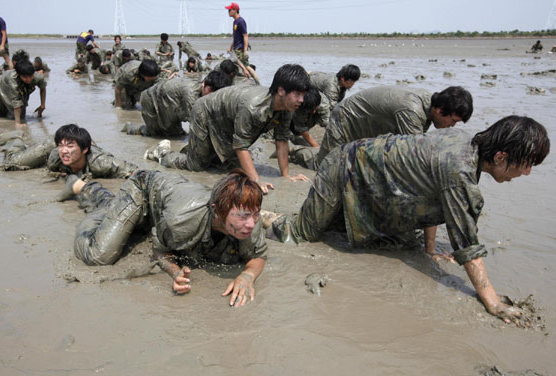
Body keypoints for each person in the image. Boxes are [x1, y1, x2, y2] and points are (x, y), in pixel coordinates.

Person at [265, 116, 550, 325]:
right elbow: (467, 245)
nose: (526, 173)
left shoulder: (469, 146)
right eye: (526, 164)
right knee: (301, 233)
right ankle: (265, 218)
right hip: (345, 166)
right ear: (501, 156)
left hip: (370, 184)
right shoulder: (459, 170)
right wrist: (493, 302)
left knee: (346, 231)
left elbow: (432, 195)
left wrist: (428, 249)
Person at [68, 168, 267, 305]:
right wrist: (174, 271)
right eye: (243, 217)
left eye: (256, 214)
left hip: (172, 198)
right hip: (143, 189)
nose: (251, 223)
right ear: (217, 212)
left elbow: (258, 255)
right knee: (99, 256)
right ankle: (92, 193)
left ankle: (115, 207)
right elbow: (160, 250)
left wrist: (247, 276)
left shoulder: (250, 219)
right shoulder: (180, 221)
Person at [145, 64, 310, 194]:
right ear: (281, 91)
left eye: (303, 95)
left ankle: (196, 148)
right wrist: (256, 181)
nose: (301, 100)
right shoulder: (253, 107)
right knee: (196, 166)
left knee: (228, 165)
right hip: (206, 110)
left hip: (227, 121)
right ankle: (162, 153)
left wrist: (286, 176)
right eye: (297, 94)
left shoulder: (287, 108)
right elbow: (241, 146)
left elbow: (281, 141)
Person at [290, 85, 474, 170]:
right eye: (453, 121)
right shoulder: (413, 110)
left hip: (366, 125)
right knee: (323, 165)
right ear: (440, 110)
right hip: (346, 118)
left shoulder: (429, 105)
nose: (452, 126)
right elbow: (414, 155)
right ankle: (294, 151)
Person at [0, 125, 138, 185]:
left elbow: (135, 171)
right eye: (63, 147)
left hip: (76, 144)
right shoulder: (56, 156)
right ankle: (16, 138)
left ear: (85, 149)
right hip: (50, 145)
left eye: (69, 147)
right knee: (11, 163)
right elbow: (51, 167)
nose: (64, 151)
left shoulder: (101, 162)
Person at [122, 70, 231, 137]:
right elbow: (197, 123)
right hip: (151, 100)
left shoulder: (206, 94)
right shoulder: (191, 94)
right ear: (204, 84)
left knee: (177, 135)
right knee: (154, 134)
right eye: (211, 91)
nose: (213, 96)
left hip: (170, 106)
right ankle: (130, 127)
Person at [0, 59, 47, 128]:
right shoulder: (13, 79)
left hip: (22, 87)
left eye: (30, 76)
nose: (29, 79)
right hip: (0, 85)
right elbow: (16, 101)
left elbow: (43, 88)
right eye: (25, 77)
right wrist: (17, 123)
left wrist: (42, 105)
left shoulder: (37, 77)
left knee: (21, 116)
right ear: (19, 74)